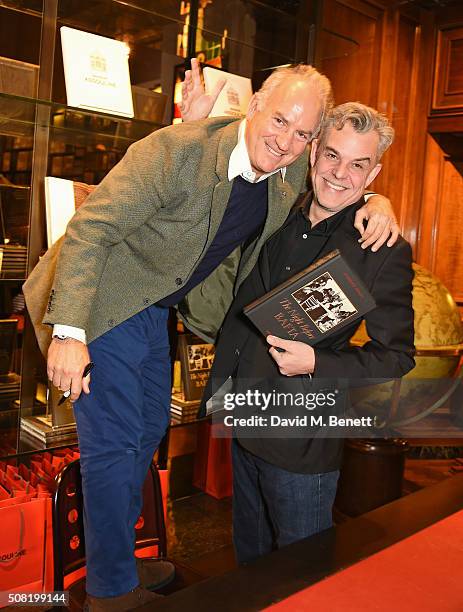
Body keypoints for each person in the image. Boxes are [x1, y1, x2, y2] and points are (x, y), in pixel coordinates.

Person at [24, 63, 397, 611]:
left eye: (302, 133)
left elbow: (341, 179)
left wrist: (377, 201)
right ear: (254, 107)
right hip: (103, 300)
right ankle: (109, 591)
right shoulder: (176, 151)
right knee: (117, 443)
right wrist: (69, 332)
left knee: (149, 432)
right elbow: (91, 229)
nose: (287, 140)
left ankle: (119, 558)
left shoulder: (288, 170)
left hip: (156, 311)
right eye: (280, 121)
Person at [200, 102, 415, 564]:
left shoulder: (379, 250)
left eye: (358, 165)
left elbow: (397, 356)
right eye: (333, 155)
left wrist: (317, 363)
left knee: (302, 572)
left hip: (301, 440)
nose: (340, 174)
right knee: (249, 563)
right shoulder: (279, 209)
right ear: (314, 151)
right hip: (243, 416)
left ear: (373, 174)